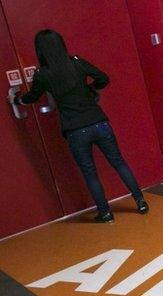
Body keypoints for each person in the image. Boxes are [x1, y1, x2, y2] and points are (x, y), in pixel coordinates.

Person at [8, 29, 148, 223]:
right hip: (99, 123)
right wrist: (91, 89)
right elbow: (103, 78)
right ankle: (140, 201)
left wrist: (17, 100)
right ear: (61, 44)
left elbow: (32, 97)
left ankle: (105, 213)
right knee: (118, 162)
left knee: (90, 173)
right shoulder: (76, 62)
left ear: (40, 50)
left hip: (75, 130)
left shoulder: (43, 75)